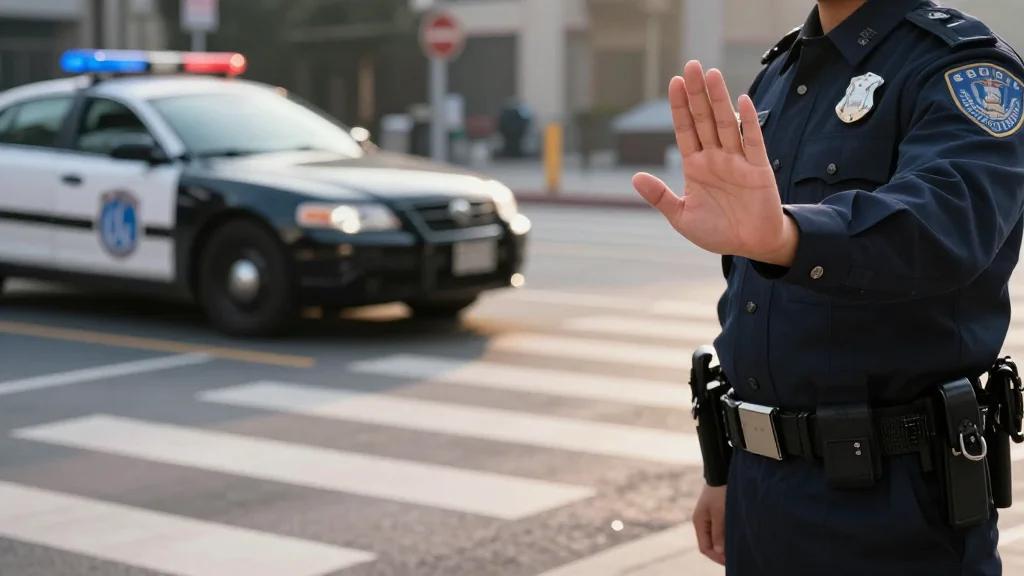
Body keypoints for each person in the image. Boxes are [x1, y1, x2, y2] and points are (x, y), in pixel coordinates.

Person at [633, 0, 1024, 574]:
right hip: (758, 496)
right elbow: (751, 299)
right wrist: (726, 469)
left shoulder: (962, 66)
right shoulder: (781, 73)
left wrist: (791, 236)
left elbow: (949, 222)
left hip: (895, 506)